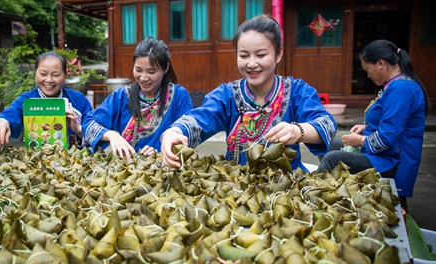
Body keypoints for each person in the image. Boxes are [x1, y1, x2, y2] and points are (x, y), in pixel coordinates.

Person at [161, 14, 337, 169]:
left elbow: (326, 125)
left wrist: (298, 131)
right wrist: (173, 133)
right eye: (244, 55)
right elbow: (197, 119)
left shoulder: (297, 91)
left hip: (288, 185)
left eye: (261, 55)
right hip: (238, 188)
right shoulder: (227, 95)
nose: (252, 63)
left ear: (279, 54)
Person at [318, 40, 428, 210]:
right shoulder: (394, 85)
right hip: (383, 152)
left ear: (381, 63)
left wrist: (361, 140)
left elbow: (386, 139)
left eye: (367, 69)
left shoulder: (402, 89)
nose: (368, 75)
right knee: (325, 143)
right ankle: (342, 191)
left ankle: (318, 200)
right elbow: (391, 122)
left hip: (392, 160)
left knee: (332, 158)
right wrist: (365, 127)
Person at [82, 37, 193, 159]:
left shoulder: (178, 95)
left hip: (167, 168)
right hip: (128, 169)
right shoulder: (122, 96)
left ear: (165, 68)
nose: (144, 77)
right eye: (138, 70)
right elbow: (89, 123)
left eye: (151, 72)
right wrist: (111, 135)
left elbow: (187, 136)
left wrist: (161, 154)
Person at [0, 51, 92, 148]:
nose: (49, 80)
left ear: (65, 76)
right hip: (36, 161)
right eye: (43, 74)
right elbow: (11, 114)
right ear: (35, 74)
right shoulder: (27, 100)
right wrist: (2, 123)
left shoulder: (79, 99)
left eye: (55, 75)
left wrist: (78, 130)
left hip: (74, 163)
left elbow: (94, 131)